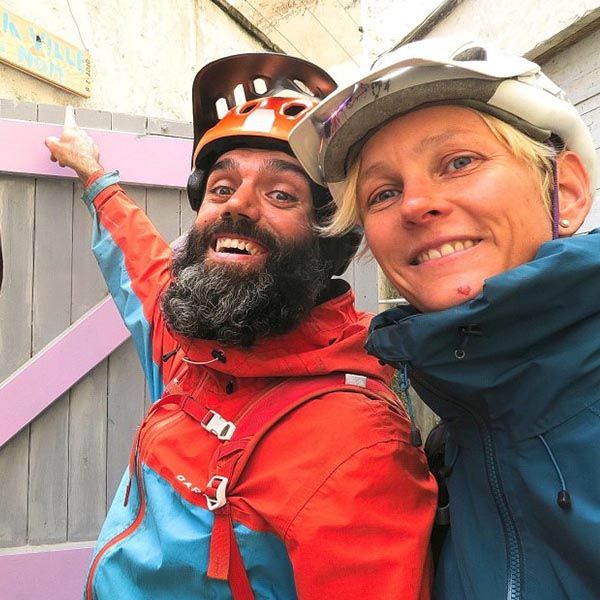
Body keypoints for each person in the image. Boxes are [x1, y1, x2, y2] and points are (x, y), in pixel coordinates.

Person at [45, 53, 436, 600]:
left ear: (331, 240)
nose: (239, 206)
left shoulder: (357, 448)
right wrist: (93, 175)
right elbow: (142, 263)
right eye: (221, 188)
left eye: (281, 194)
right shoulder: (193, 344)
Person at [289, 38, 600, 600]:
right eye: (383, 192)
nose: (414, 205)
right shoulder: (453, 438)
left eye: (460, 162)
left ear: (567, 192)